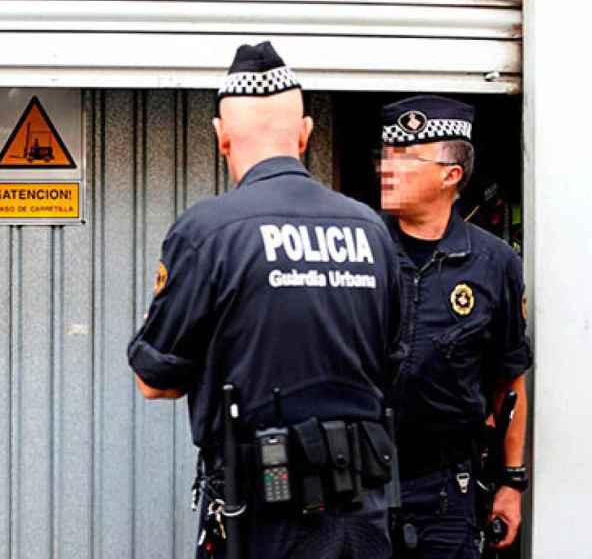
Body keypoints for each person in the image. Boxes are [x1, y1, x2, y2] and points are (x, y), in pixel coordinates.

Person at [128, 41, 402, 559]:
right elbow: (391, 365)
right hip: (362, 518)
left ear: (221, 136)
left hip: (262, 519)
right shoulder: (370, 230)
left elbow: (153, 380)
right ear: (305, 133)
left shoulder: (208, 232)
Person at [376, 95, 531, 558]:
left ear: (451, 175)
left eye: (405, 158)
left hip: (446, 490)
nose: (387, 168)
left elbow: (509, 377)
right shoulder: (359, 246)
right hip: (356, 485)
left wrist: (511, 482)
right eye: (385, 155)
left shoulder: (494, 262)